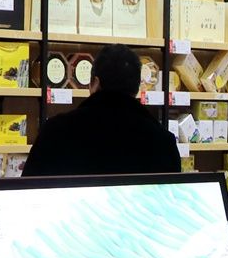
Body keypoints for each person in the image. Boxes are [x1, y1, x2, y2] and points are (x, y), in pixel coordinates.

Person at [25, 45, 181, 177]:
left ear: (94, 82)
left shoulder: (55, 131)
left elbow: (29, 188)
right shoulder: (163, 141)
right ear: (137, 87)